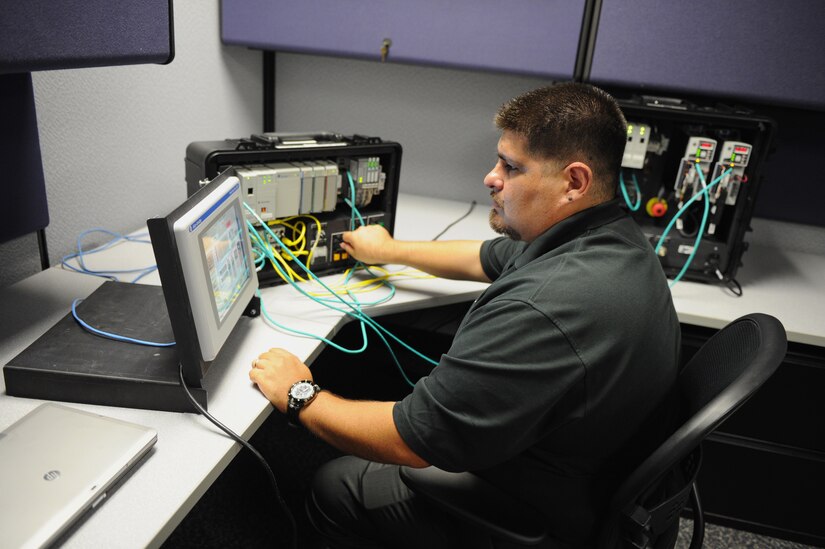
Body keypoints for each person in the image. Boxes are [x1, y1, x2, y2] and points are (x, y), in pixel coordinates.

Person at [249, 82, 681, 548]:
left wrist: (299, 394)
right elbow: (484, 256)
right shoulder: (603, 237)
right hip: (586, 465)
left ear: (573, 182)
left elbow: (408, 442)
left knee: (335, 485)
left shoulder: (545, 307)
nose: (490, 177)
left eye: (511, 167)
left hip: (540, 511)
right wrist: (391, 250)